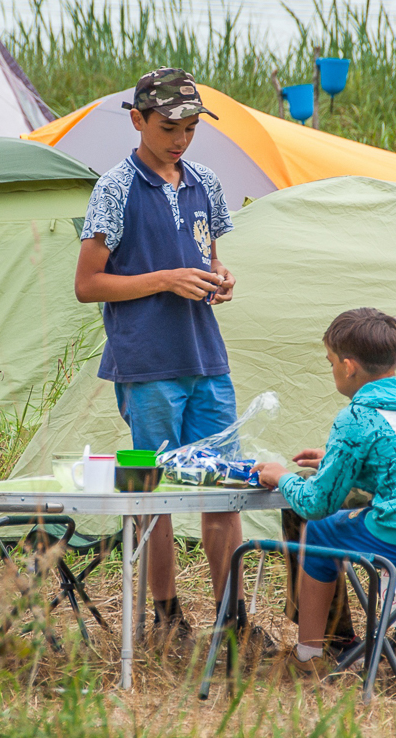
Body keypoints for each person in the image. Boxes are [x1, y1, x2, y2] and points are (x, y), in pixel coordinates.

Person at [74, 67, 271, 651]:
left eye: (190, 127)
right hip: (146, 366)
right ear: (137, 120)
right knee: (153, 494)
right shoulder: (114, 188)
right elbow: (87, 284)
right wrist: (163, 280)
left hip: (207, 359)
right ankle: (166, 617)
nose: (181, 137)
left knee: (222, 491)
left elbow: (207, 257)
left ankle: (230, 618)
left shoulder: (205, 181)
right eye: (169, 126)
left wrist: (220, 279)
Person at [253, 308, 396, 679]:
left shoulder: (357, 416)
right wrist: (337, 461)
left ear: (347, 367)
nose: (331, 371)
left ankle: (308, 654)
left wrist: (281, 477)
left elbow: (316, 503)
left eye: (330, 363)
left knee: (321, 530)